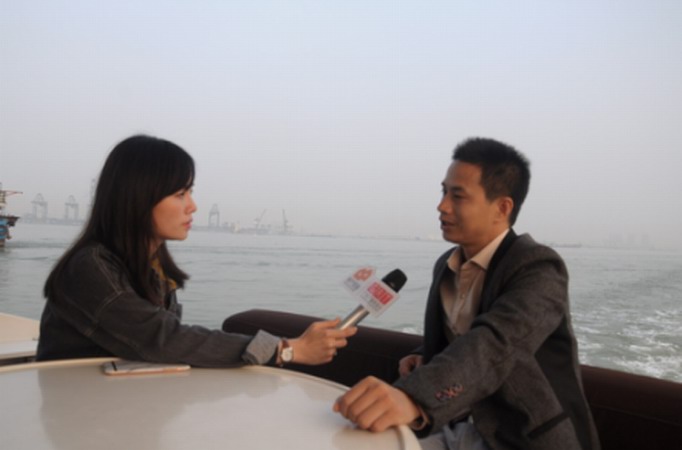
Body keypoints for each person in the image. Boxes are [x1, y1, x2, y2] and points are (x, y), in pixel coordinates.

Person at [334, 138, 600, 450]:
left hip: (519, 437)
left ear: (502, 208)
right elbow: (462, 334)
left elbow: (496, 342)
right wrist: (424, 354)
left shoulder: (539, 267)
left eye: (457, 196)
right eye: (443, 192)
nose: (442, 206)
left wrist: (413, 397)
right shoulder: (445, 266)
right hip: (454, 423)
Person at [37, 135, 356, 367]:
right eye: (180, 194)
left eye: (190, 192)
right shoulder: (90, 267)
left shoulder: (151, 266)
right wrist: (287, 349)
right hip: (78, 409)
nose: (192, 206)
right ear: (138, 198)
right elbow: (164, 339)